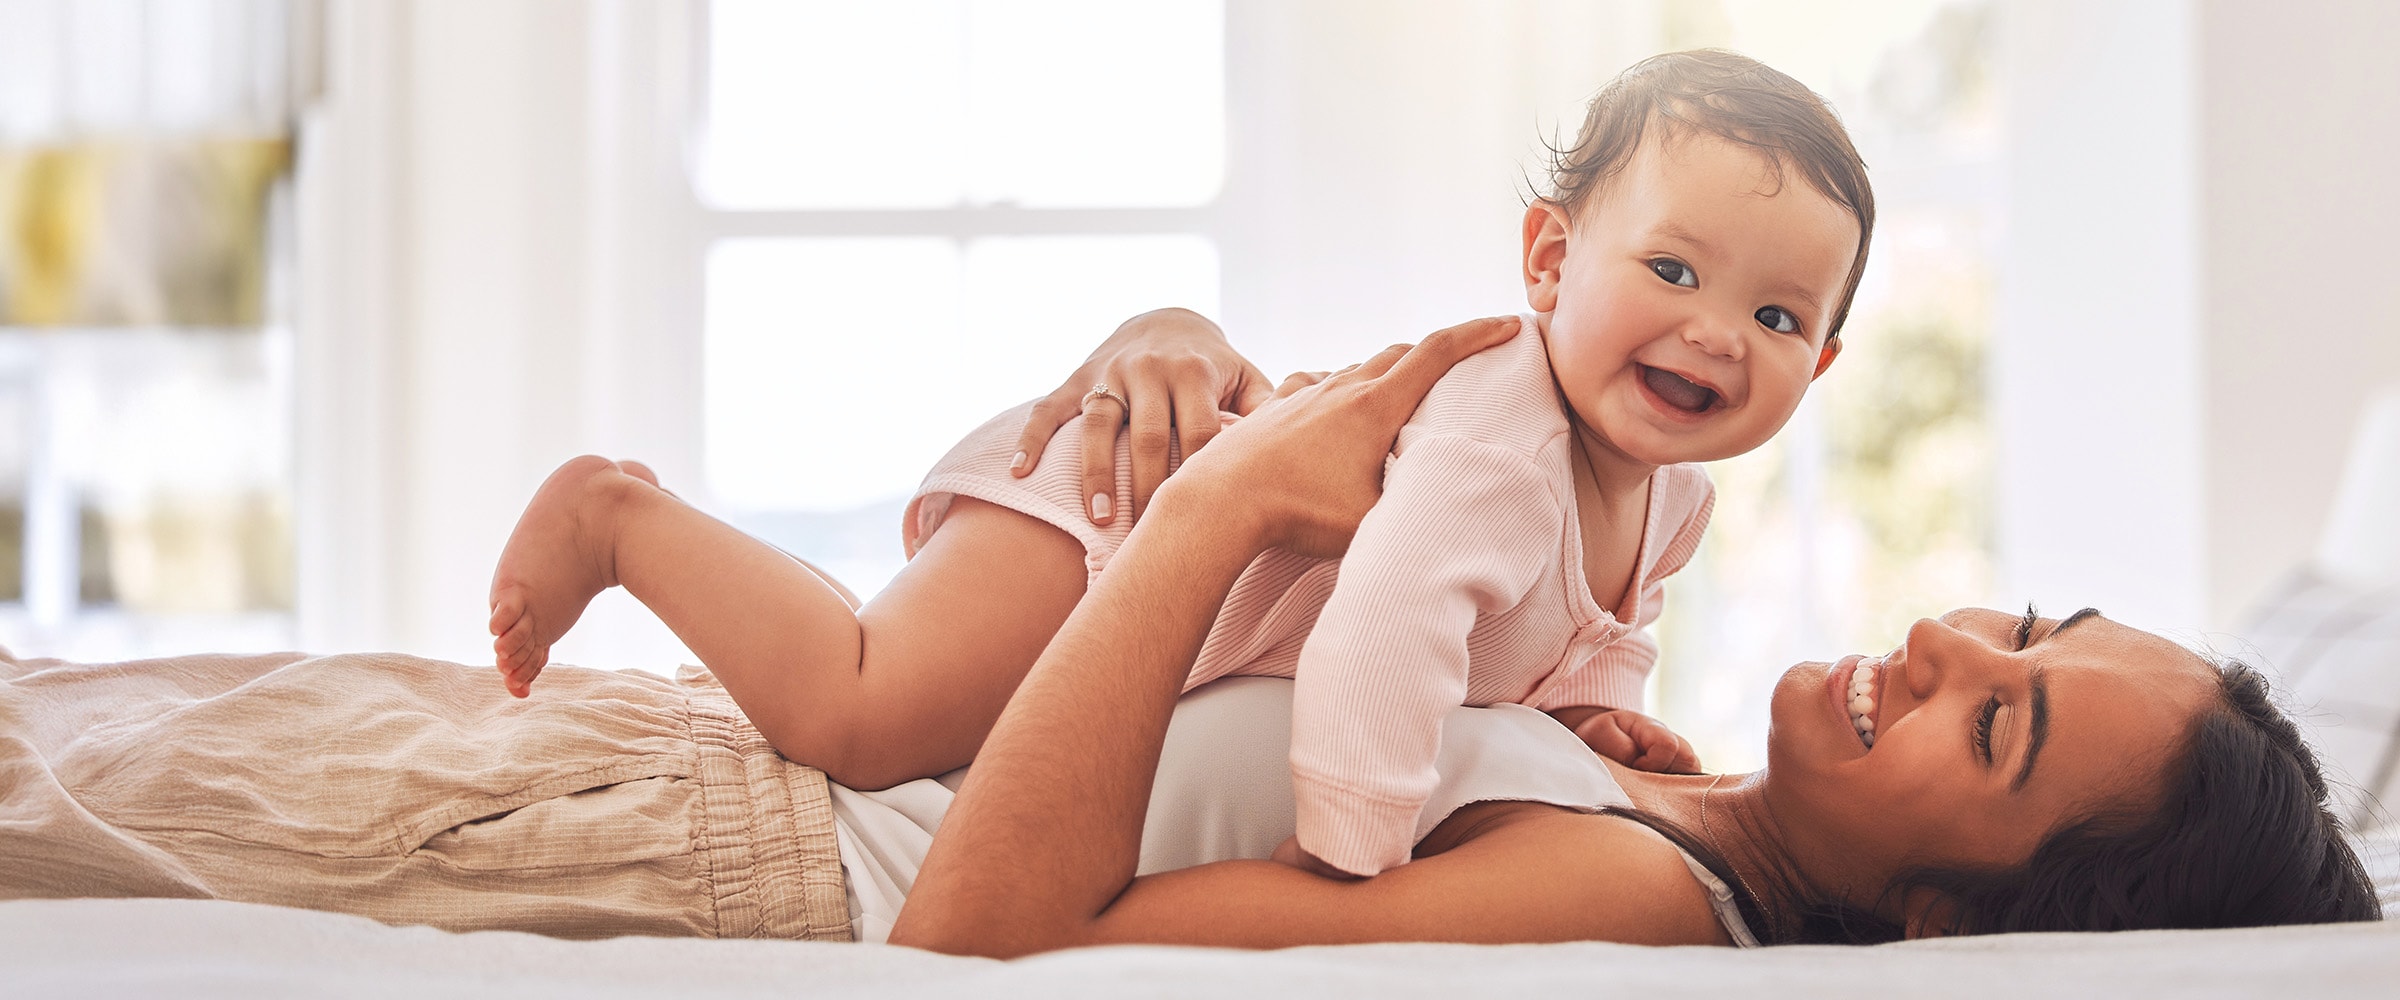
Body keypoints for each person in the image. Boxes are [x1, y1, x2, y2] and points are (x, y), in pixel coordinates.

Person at [1, 322, 2375, 952]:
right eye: (2020, 618)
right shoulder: (1650, 746)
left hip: (738, 847)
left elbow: (989, 941)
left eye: (2004, 717)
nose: (1948, 634)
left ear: (1960, 917)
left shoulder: (1642, 896)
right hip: (676, 755)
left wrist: (1220, 497)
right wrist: (1177, 371)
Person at [487, 49, 1875, 878]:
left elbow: (1571, 637)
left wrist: (1587, 729)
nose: (1714, 333)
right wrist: (1351, 850)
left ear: (1816, 366)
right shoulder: (1501, 445)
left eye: (1773, 315)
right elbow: (1381, 645)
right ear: (1551, 263)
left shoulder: (1673, 502)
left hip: (1167, 595)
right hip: (1117, 519)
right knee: (860, 707)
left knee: (927, 738)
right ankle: (621, 520)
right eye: (1674, 268)